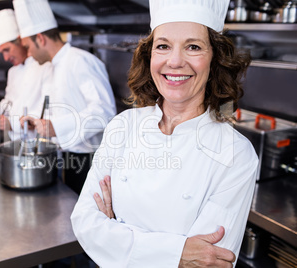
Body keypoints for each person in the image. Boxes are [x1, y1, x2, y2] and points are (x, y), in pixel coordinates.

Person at [70, 0, 259, 267]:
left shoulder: (236, 154)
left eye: (193, 46)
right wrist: (177, 253)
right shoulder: (123, 126)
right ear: (149, 57)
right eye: (163, 46)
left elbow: (209, 262)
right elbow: (85, 222)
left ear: (215, 57)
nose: (175, 61)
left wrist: (116, 235)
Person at [14, 0, 117, 194]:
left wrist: (56, 126)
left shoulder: (80, 61)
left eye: (28, 47)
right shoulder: (52, 66)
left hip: (89, 162)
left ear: (41, 38)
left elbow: (104, 112)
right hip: (66, 157)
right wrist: (38, 122)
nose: (28, 54)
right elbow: (65, 108)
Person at [0, 9, 51, 140]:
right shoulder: (13, 72)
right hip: (16, 142)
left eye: (7, 50)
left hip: (38, 145)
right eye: (2, 52)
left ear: (20, 41)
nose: (6, 58)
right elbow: (10, 102)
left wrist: (12, 124)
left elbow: (45, 112)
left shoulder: (44, 66)